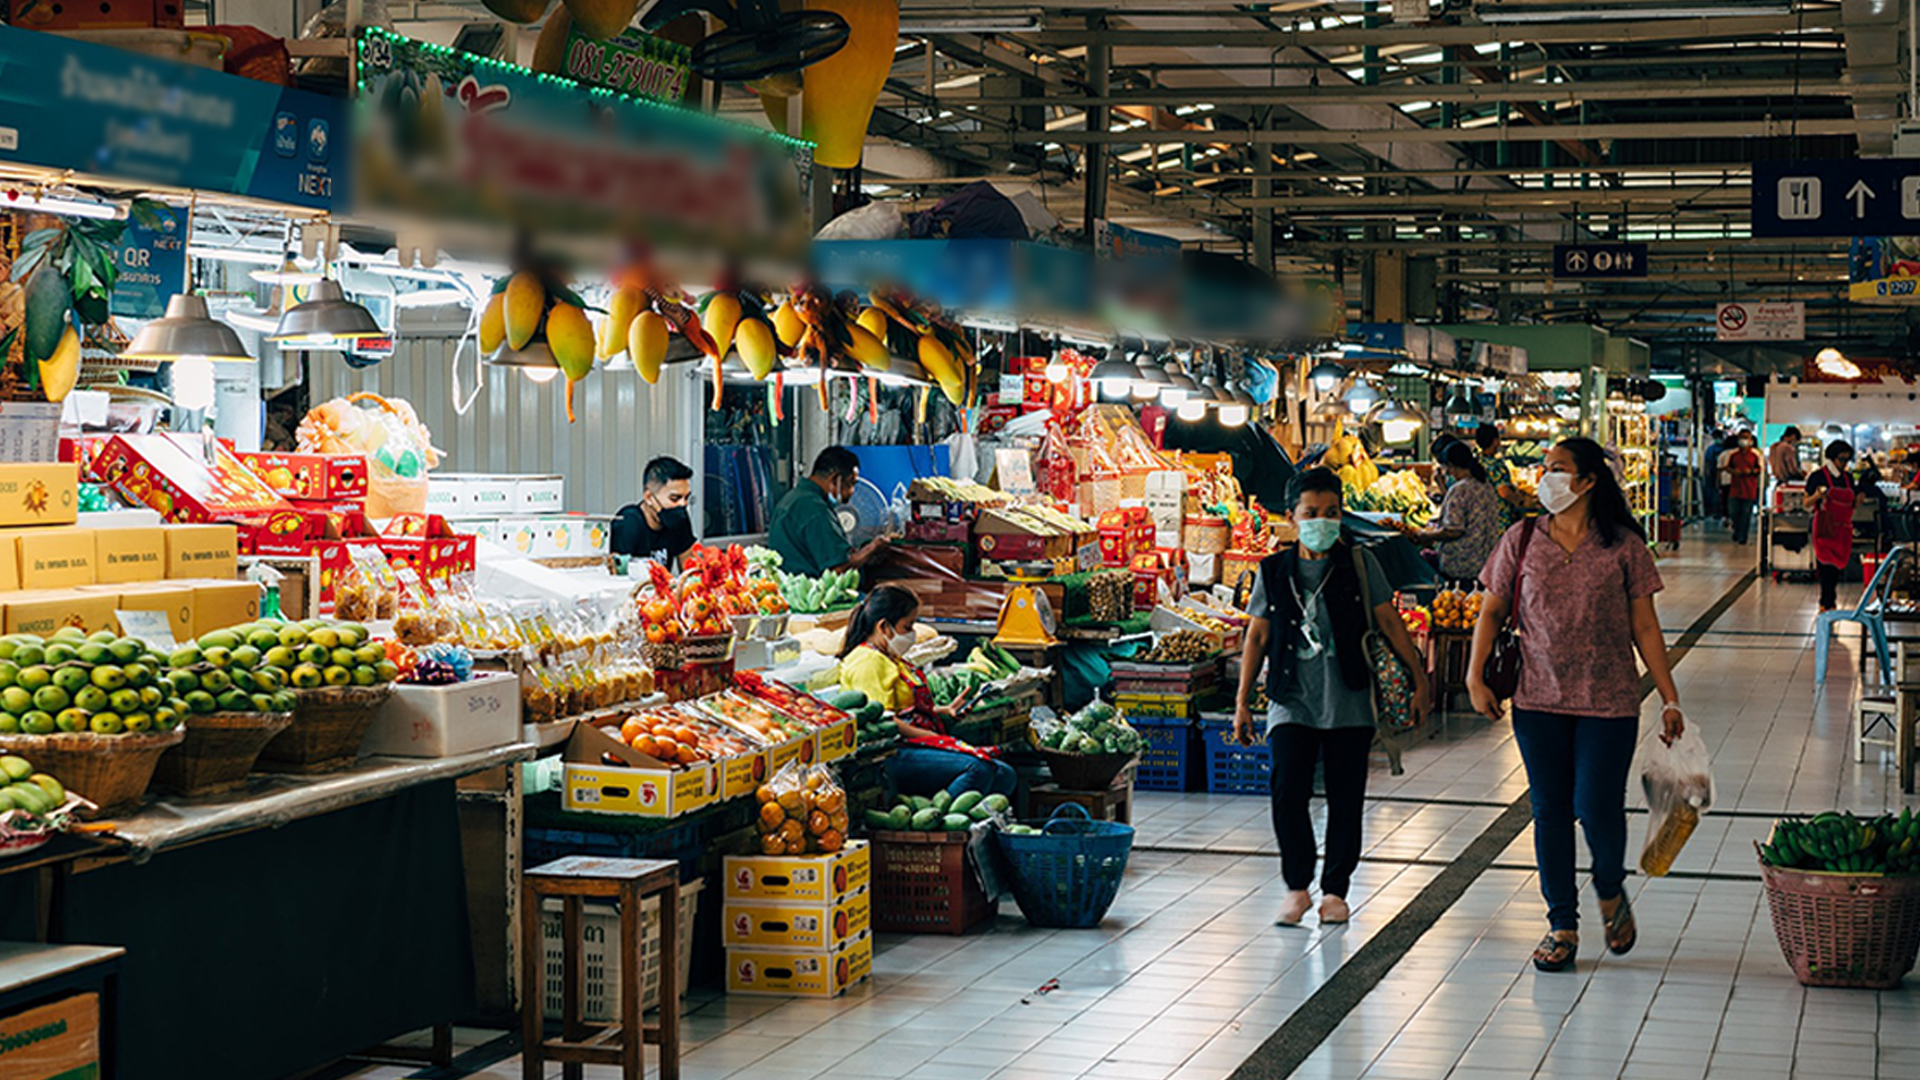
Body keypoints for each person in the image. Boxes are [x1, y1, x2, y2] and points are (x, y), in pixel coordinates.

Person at [1465, 437, 1682, 974]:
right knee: (1550, 811)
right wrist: (1475, 676)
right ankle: (1562, 922)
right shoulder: (1520, 538)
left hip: (1608, 699)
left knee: (1597, 806)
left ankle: (1609, 886)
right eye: (1544, 469)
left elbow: (1645, 625)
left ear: (1587, 481)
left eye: (1557, 469)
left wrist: (1670, 696)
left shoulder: (1625, 546)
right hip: (1537, 699)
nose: (1545, 478)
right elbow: (1491, 612)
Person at [1233, 467, 1430, 927]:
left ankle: (1336, 891)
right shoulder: (1274, 570)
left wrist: (1419, 678)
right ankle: (1298, 887)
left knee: (1346, 799)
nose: (1322, 521)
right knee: (1287, 792)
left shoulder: (1360, 565)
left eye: (1331, 513)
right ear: (1292, 517)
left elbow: (1390, 623)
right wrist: (1243, 700)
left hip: (1350, 700)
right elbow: (1257, 636)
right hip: (1291, 699)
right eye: (1311, 513)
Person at [839, 584, 1014, 799]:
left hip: (913, 745)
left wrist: (943, 711)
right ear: (884, 627)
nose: (912, 634)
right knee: (977, 768)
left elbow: (906, 709)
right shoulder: (867, 661)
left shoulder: (892, 658)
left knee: (1005, 774)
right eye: (908, 626)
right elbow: (885, 722)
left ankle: (974, 825)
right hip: (893, 754)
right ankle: (937, 821)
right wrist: (931, 737)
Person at [766, 446, 888, 577]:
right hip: (813, 591)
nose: (852, 492)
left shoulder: (793, 498)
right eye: (850, 484)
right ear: (836, 478)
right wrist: (873, 548)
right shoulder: (814, 509)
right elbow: (836, 570)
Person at [1410, 440, 1502, 583]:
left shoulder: (1460, 489)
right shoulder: (1485, 486)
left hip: (1462, 565)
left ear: (1451, 467)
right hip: (1486, 564)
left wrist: (1426, 535)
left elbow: (1454, 530)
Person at [611, 457, 696, 568]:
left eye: (686, 498)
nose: (683, 504)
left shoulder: (678, 519)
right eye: (675, 498)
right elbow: (617, 573)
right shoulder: (628, 523)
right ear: (649, 497)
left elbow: (690, 571)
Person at [1805, 439, 1858, 612]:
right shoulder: (1818, 476)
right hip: (1825, 526)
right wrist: (1818, 495)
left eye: (1847, 460)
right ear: (1831, 458)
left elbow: (1852, 503)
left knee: (1837, 567)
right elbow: (1806, 502)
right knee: (1825, 565)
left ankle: (1829, 602)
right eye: (1841, 459)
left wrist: (1859, 500)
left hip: (1843, 528)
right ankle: (1827, 603)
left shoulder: (1848, 478)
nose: (1844, 464)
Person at [1475, 423, 1526, 530]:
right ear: (1495, 441)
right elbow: (1504, 492)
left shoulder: (1474, 462)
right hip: (1499, 519)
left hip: (1479, 517)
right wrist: (1520, 501)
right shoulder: (1496, 466)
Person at [1725, 431, 1763, 545]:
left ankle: (1743, 536)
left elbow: (1759, 469)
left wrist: (1750, 471)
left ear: (1751, 440)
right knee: (1734, 512)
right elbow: (1727, 467)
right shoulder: (1733, 455)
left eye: (1746, 438)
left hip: (1749, 489)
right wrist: (1734, 472)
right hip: (1735, 489)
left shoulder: (1755, 455)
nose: (1744, 440)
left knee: (1746, 514)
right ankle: (1736, 531)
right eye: (1742, 438)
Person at [1700, 428, 1726, 522]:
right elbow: (1707, 462)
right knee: (1714, 493)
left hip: (1720, 474)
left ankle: (1718, 511)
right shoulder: (1713, 449)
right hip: (1713, 474)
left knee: (1718, 493)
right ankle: (1715, 511)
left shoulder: (1720, 449)